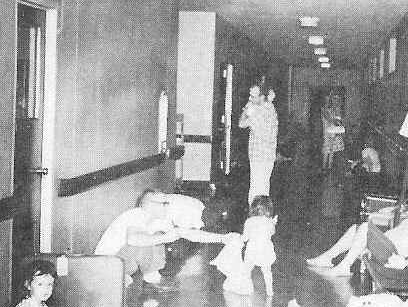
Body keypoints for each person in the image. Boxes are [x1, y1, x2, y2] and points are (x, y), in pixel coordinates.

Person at [95, 189, 230, 291]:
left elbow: (187, 233)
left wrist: (223, 238)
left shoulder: (158, 220)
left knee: (156, 236)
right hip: (106, 265)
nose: (168, 206)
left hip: (120, 264)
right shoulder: (137, 214)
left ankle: (140, 277)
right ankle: (150, 278)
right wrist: (165, 237)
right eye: (164, 203)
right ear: (150, 205)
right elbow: (132, 239)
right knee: (152, 238)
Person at [306, 189, 408, 276]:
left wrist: (404, 263)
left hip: (394, 254)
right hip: (388, 245)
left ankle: (344, 266)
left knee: (365, 227)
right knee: (355, 228)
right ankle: (328, 257)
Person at [210, 195, 277, 296]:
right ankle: (269, 291)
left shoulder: (249, 221)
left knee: (246, 271)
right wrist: (273, 223)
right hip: (265, 250)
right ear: (269, 209)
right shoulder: (269, 222)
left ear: (253, 208)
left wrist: (237, 238)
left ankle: (245, 287)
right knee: (267, 272)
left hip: (252, 251)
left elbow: (245, 238)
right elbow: (272, 233)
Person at [240, 85, 278, 205]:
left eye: (253, 96)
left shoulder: (256, 111)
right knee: (264, 187)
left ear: (261, 97)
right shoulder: (271, 108)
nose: (250, 98)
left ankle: (255, 212)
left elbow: (241, 123)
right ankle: (263, 213)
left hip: (258, 156)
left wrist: (246, 107)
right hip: (268, 156)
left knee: (255, 189)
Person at [321, 94, 345, 172]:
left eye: (329, 100)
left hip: (333, 131)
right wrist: (338, 123)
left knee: (332, 150)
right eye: (326, 100)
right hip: (327, 132)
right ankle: (324, 167)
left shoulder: (332, 110)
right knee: (326, 150)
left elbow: (337, 120)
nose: (328, 102)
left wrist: (339, 121)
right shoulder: (324, 110)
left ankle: (329, 167)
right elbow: (330, 120)